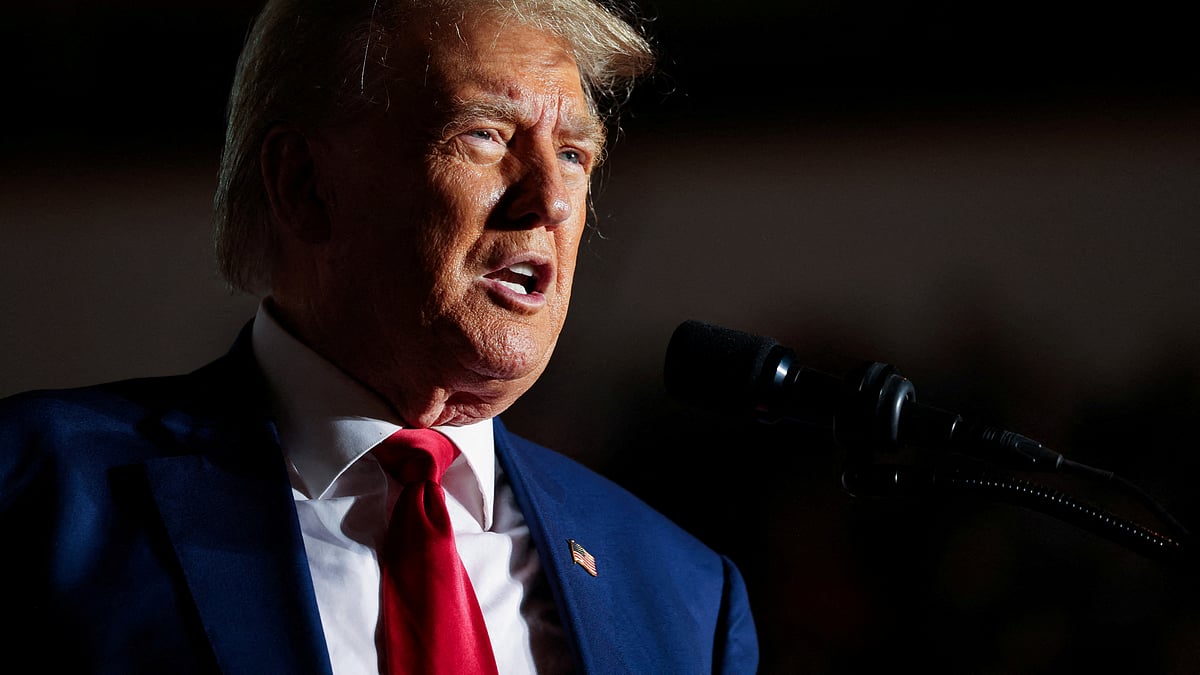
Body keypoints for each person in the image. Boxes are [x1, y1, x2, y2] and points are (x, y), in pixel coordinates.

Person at [0, 0, 758, 673]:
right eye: (485, 135)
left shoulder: (683, 593)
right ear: (305, 186)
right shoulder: (36, 493)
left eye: (573, 153)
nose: (551, 201)